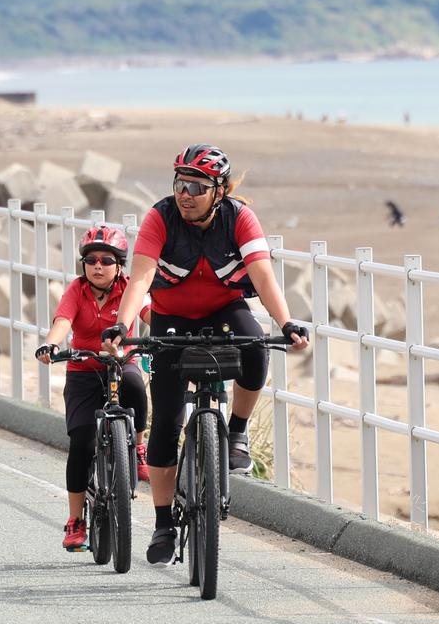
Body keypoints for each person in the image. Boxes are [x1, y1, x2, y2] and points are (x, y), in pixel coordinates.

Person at [101, 144, 310, 567]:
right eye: (181, 184)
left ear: (220, 190)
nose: (186, 193)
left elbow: (262, 274)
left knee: (254, 344)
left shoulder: (239, 218)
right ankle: (163, 523)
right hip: (171, 316)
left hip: (223, 310)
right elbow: (140, 278)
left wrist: (286, 324)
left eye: (197, 187)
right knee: (165, 423)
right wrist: (123, 327)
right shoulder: (160, 217)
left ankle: (235, 431)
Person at [35, 224, 151, 552]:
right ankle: (75, 520)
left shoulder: (130, 288)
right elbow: (63, 322)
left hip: (120, 363)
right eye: (91, 260)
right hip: (83, 370)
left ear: (119, 265)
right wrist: (50, 346)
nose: (97, 266)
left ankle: (139, 447)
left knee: (135, 386)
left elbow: (149, 313)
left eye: (106, 260)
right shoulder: (76, 290)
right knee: (82, 443)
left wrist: (166, 333)